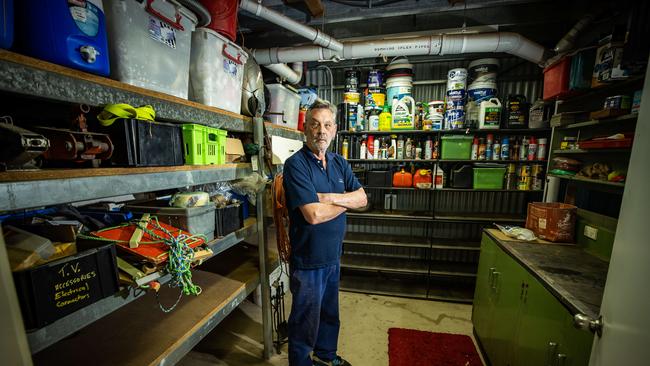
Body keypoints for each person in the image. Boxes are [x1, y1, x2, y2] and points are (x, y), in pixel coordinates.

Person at [282, 101, 367, 366]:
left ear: (335, 130)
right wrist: (346, 201)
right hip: (308, 260)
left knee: (330, 314)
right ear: (305, 129)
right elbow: (313, 215)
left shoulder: (339, 162)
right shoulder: (295, 165)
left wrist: (330, 198)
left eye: (327, 125)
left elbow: (363, 198)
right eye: (315, 124)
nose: (322, 130)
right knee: (305, 319)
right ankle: (300, 363)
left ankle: (326, 357)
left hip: (333, 256)